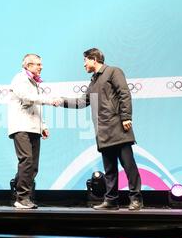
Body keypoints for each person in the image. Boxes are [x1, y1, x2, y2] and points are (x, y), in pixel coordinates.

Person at [58, 48, 143, 210]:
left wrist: (126, 117)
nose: (84, 64)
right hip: (103, 132)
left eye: (85, 61)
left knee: (128, 165)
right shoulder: (93, 81)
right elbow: (82, 102)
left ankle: (136, 198)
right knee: (109, 169)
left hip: (118, 127)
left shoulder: (113, 71)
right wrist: (61, 101)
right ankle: (111, 200)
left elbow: (124, 93)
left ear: (94, 59)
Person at [8, 54, 60, 209]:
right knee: (27, 161)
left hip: (33, 128)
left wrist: (42, 126)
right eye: (38, 64)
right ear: (28, 66)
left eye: (41, 64)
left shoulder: (34, 83)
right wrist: (49, 99)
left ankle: (18, 190)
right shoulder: (19, 79)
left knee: (33, 165)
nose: (41, 67)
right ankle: (22, 198)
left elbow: (36, 107)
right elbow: (27, 97)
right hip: (21, 126)